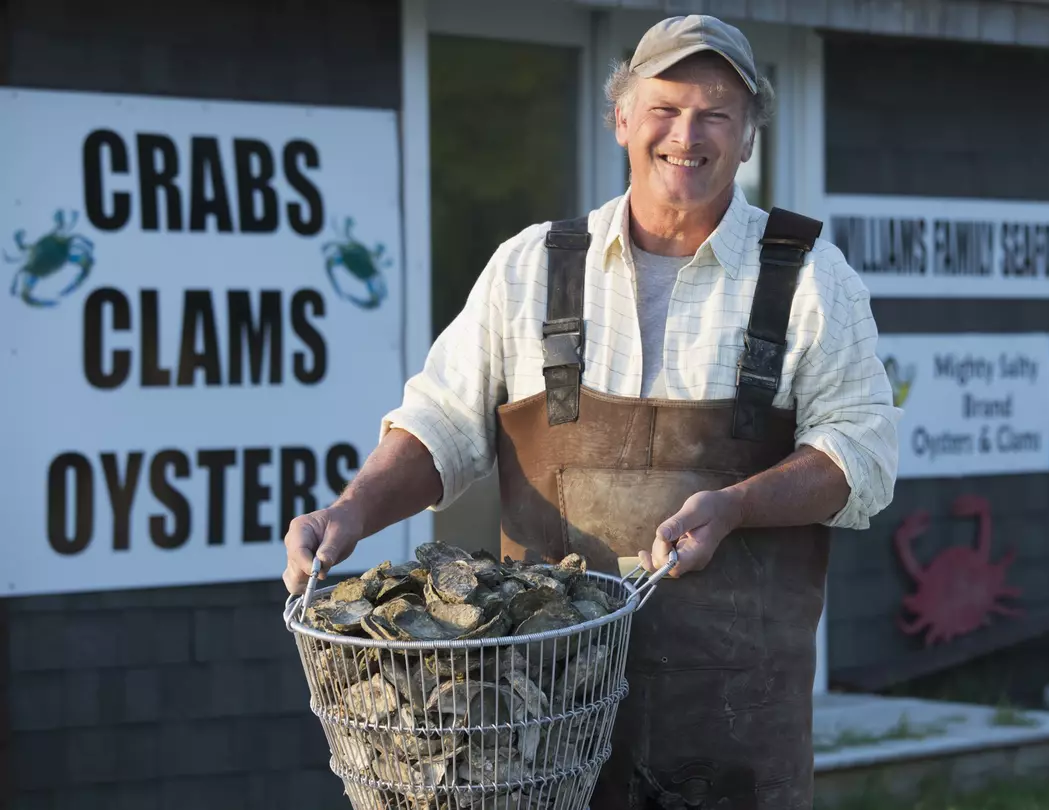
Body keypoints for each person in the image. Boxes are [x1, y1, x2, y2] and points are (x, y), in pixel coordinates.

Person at [282, 14, 900, 809]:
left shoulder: (813, 279)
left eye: (717, 112)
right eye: (665, 108)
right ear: (620, 119)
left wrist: (737, 505)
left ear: (748, 136)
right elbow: (439, 422)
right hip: (530, 733)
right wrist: (353, 510)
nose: (688, 133)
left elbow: (863, 456)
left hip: (734, 739)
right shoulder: (532, 267)